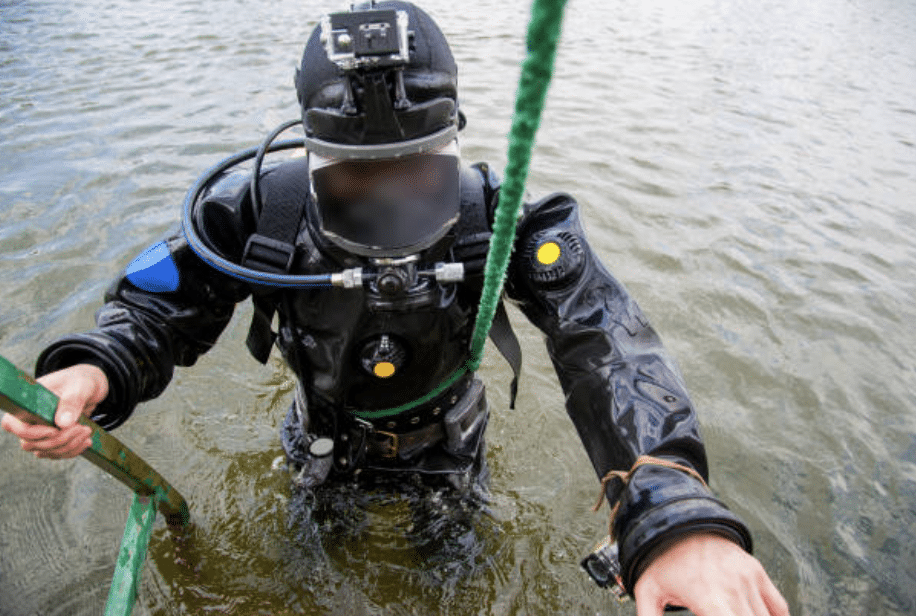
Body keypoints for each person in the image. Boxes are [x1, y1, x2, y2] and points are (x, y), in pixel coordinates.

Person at [1, 2, 789, 614]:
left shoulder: (498, 222)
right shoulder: (267, 214)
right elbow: (162, 303)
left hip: (450, 447)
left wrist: (669, 507)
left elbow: (603, 339)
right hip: (321, 440)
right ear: (313, 159)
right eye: (356, 179)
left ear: (454, 144)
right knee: (302, 578)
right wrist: (97, 367)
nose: (389, 205)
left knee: (457, 581)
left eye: (418, 173)